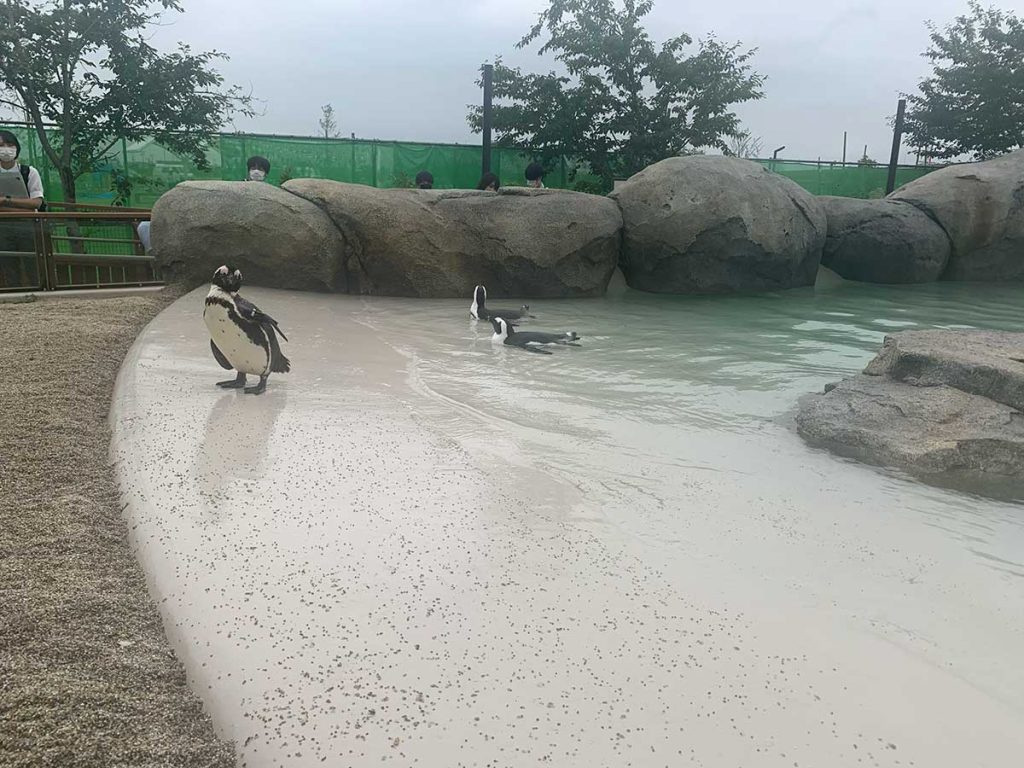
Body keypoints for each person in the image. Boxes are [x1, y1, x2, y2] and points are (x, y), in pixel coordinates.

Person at [0, 130, 45, 288]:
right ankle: (14, 294)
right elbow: (31, 206)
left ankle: (37, 291)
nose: (6, 149)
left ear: (17, 148)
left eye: (9, 145)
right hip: (3, 227)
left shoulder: (29, 172)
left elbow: (37, 203)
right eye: (1, 145)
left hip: (29, 226)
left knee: (32, 262)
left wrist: (5, 201)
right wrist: (23, 208)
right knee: (7, 263)